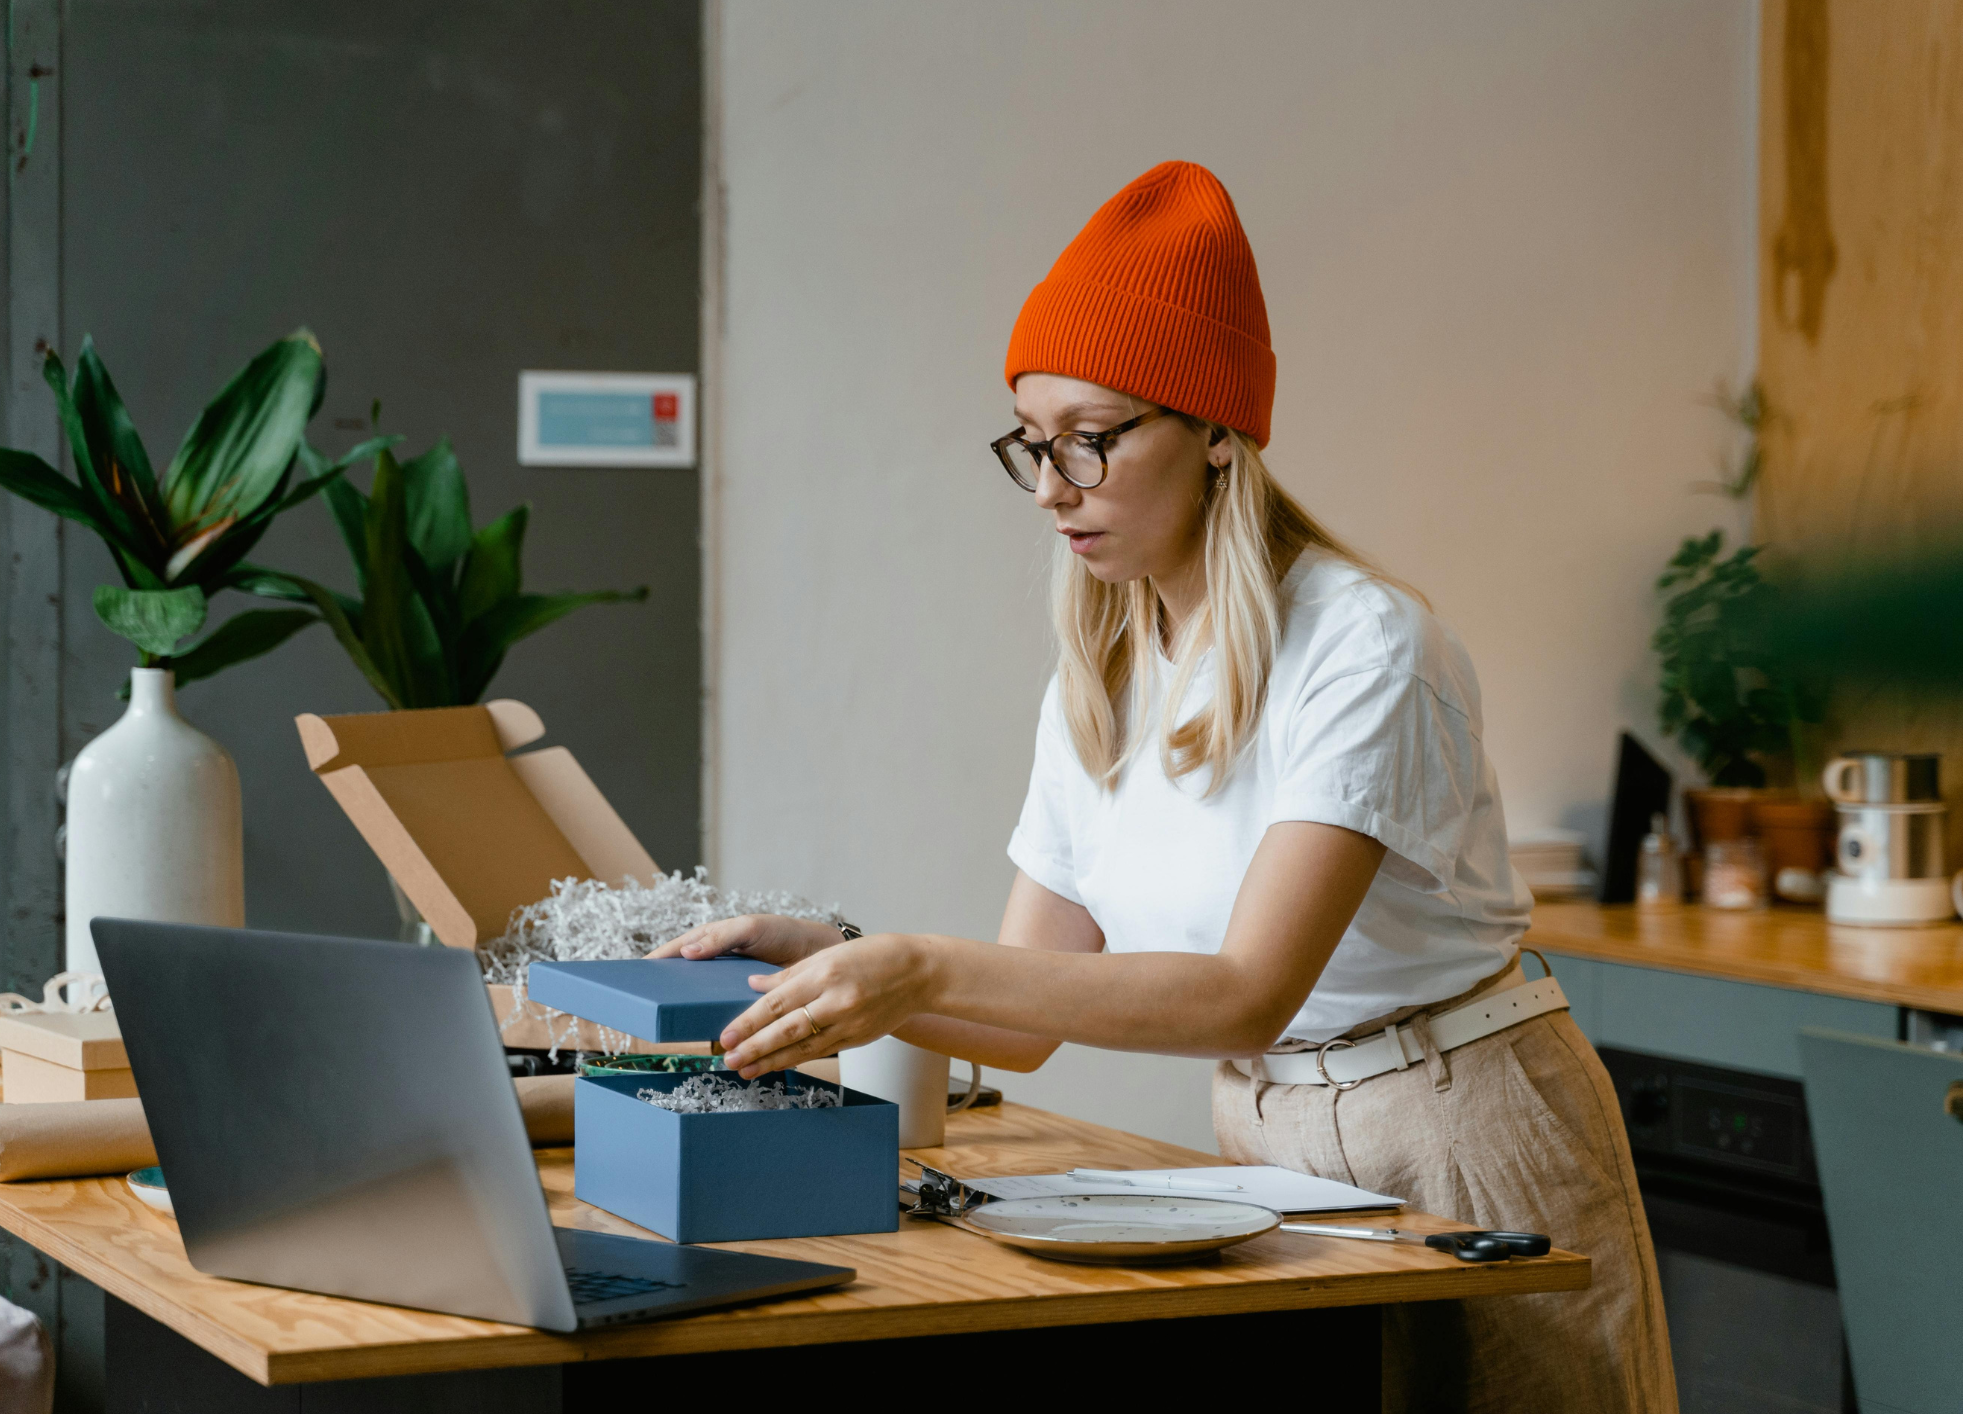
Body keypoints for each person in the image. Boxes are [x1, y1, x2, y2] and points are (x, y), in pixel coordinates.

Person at [656, 160, 1677, 1412]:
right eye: (1031, 445)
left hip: (1461, 1125)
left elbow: (1246, 991)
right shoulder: (1103, 676)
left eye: (1090, 438)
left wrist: (915, 968)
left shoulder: (1364, 645)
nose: (1049, 488)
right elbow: (1021, 1020)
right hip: (1265, 1140)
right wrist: (836, 958)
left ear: (1211, 430)